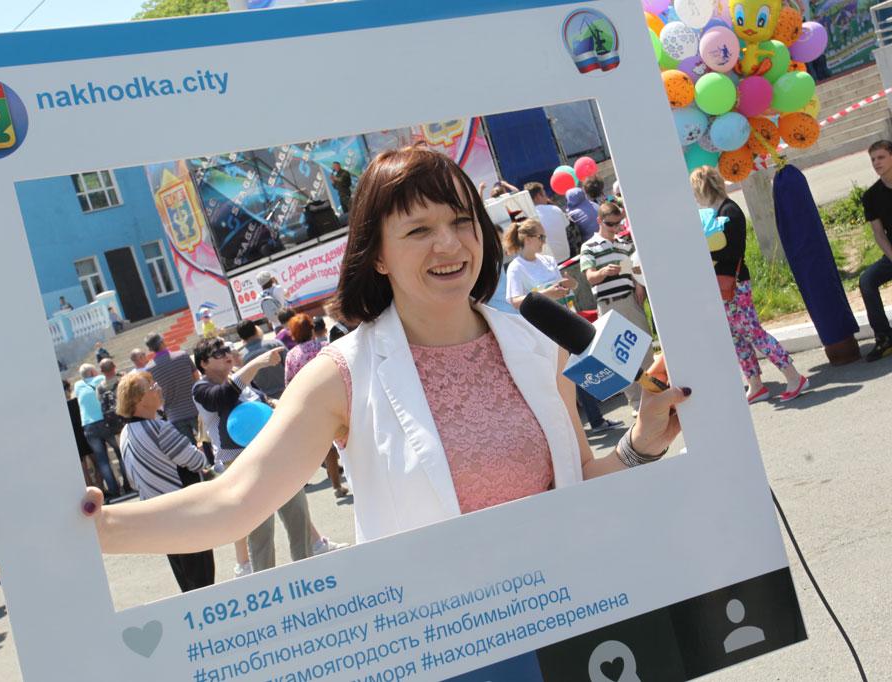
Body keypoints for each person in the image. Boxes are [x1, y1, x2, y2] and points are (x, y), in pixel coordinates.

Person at [73, 147, 688, 564]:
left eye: (461, 221)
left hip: (571, 623)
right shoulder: (339, 376)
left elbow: (577, 485)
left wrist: (642, 443)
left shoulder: (536, 346)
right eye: (418, 230)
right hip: (446, 648)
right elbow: (232, 503)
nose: (449, 244)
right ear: (379, 255)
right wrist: (97, 529)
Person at [190, 338, 315, 574]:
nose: (227, 354)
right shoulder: (201, 389)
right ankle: (265, 581)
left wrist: (276, 404)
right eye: (218, 353)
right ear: (204, 363)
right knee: (260, 529)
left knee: (298, 514)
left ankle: (308, 573)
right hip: (242, 462)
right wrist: (256, 363)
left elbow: (261, 401)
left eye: (227, 349)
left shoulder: (238, 376)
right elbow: (224, 396)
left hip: (273, 451)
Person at [690, 167, 809, 402]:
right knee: (736, 336)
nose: (693, 196)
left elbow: (733, 251)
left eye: (694, 190)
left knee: (753, 332)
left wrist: (704, 251)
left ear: (702, 188)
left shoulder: (729, 211)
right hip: (725, 284)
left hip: (735, 283)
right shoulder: (717, 211)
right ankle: (755, 384)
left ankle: (794, 376)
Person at [502, 218, 622, 434]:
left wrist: (569, 284)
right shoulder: (516, 268)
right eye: (541, 237)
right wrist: (546, 293)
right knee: (562, 376)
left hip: (565, 318)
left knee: (579, 367)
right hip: (542, 329)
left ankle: (595, 420)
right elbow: (514, 300)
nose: (544, 241)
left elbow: (568, 286)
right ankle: (577, 426)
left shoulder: (547, 260)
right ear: (528, 239)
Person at [115, 372, 214, 592]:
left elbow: (133, 480)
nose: (158, 388)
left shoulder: (125, 433)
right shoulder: (159, 428)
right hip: (182, 512)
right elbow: (197, 461)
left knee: (186, 582)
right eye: (152, 386)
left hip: (157, 516)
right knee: (203, 580)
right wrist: (197, 450)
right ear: (138, 400)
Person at [580, 201, 654, 415]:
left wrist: (639, 285)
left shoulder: (625, 244)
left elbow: (636, 269)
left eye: (618, 224)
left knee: (645, 349)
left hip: (630, 299)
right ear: (599, 221)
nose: (615, 228)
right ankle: (636, 403)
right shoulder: (589, 246)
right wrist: (603, 272)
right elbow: (590, 277)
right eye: (610, 224)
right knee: (619, 357)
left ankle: (653, 394)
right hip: (608, 304)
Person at [284, 314, 350, 498]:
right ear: (312, 329)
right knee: (347, 438)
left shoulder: (291, 356)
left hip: (311, 405)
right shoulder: (325, 346)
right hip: (337, 396)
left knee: (327, 447)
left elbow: (289, 384)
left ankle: (336, 486)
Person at [859, 140, 892, 362]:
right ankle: (884, 337)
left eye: (881, 157)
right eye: (873, 159)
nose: (876, 163)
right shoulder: (871, 196)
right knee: (867, 280)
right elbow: (879, 234)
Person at [73, 365, 123, 498]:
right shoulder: (100, 378)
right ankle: (128, 485)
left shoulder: (77, 385)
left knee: (102, 460)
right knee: (119, 452)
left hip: (88, 425)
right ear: (91, 372)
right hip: (105, 422)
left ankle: (114, 491)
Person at [144, 333, 200, 445]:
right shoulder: (182, 355)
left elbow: (155, 394)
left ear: (150, 349)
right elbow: (196, 378)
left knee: (190, 448)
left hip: (174, 415)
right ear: (162, 342)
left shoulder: (149, 369)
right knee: (209, 442)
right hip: (195, 408)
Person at [97, 359, 133, 495]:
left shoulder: (100, 387)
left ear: (101, 371)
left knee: (120, 454)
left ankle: (127, 485)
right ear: (114, 367)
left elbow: (99, 401)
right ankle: (133, 482)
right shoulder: (122, 380)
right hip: (126, 420)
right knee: (129, 452)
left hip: (112, 425)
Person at [235, 320, 287, 401]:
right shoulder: (275, 344)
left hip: (265, 400)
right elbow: (290, 365)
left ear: (241, 337)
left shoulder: (240, 357)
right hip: (287, 391)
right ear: (256, 329)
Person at [524, 182, 571, 263]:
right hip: (566, 256)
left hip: (548, 262)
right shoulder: (555, 209)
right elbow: (566, 225)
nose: (547, 197)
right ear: (538, 196)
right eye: (545, 195)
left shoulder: (529, 218)